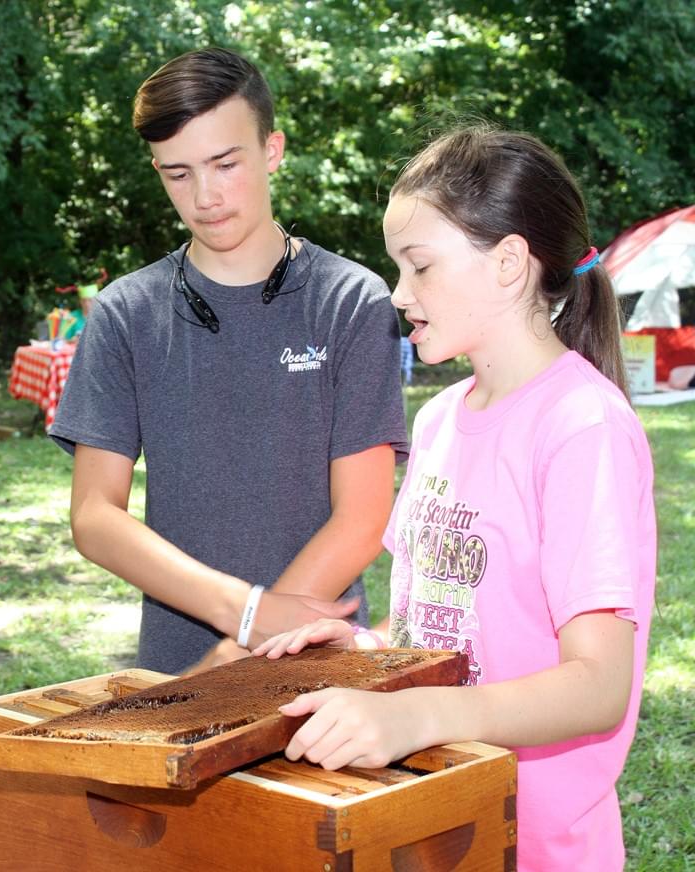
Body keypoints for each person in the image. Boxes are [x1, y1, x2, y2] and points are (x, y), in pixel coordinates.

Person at [254, 126, 656, 871]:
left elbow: (599, 685)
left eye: (421, 266)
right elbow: (452, 632)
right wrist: (372, 657)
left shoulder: (581, 426)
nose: (399, 293)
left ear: (508, 264)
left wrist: (418, 713)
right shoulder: (439, 421)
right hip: (433, 824)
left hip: (535, 844)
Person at [48, 47, 408, 676]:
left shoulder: (350, 300)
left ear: (273, 150)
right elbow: (94, 516)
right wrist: (244, 613)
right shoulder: (125, 312)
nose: (205, 195)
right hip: (179, 665)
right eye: (177, 173)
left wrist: (248, 651)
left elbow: (363, 517)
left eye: (225, 163)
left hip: (321, 664)